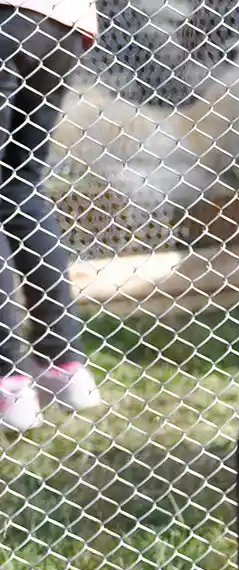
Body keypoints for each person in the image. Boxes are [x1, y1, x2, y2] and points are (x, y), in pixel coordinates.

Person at [0, 0, 101, 432]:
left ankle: (9, 381)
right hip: (61, 22)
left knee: (19, 185)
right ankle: (64, 366)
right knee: (21, 186)